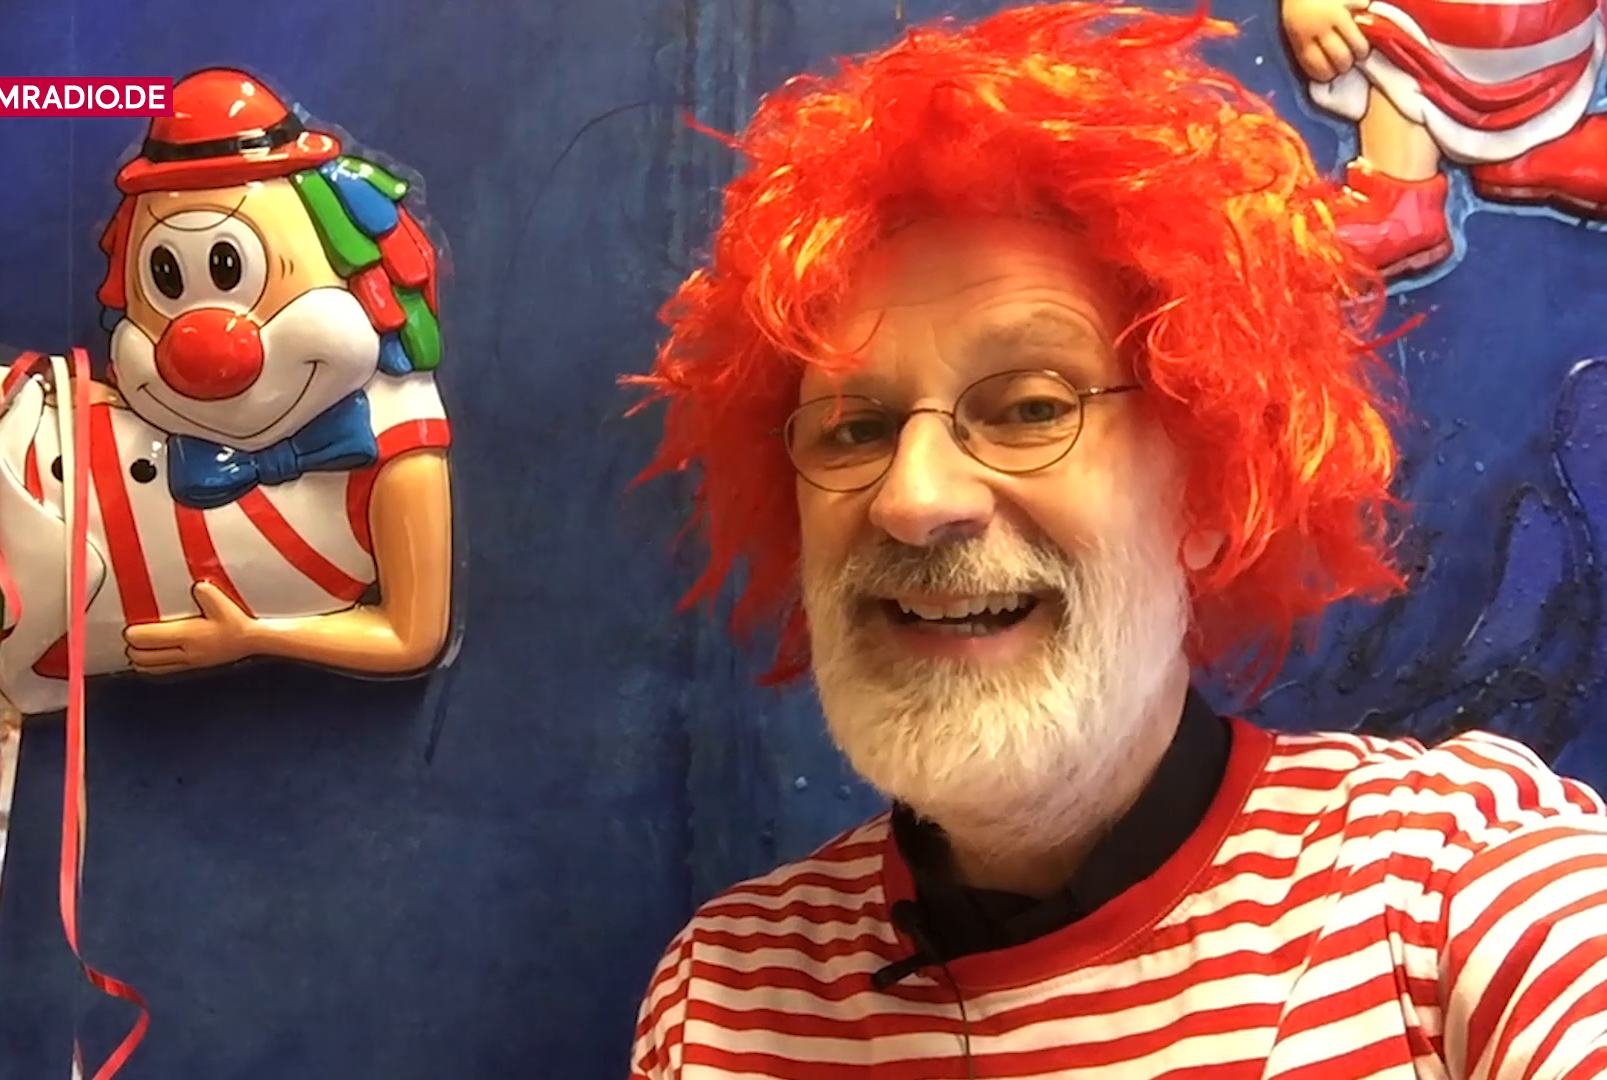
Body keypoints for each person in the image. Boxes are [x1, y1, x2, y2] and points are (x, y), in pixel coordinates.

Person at [623, 4, 1607, 1076]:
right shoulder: (726, 997)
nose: (914, 497)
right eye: (854, 429)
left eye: (1031, 407)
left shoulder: (1449, 888)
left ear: (1209, 495)